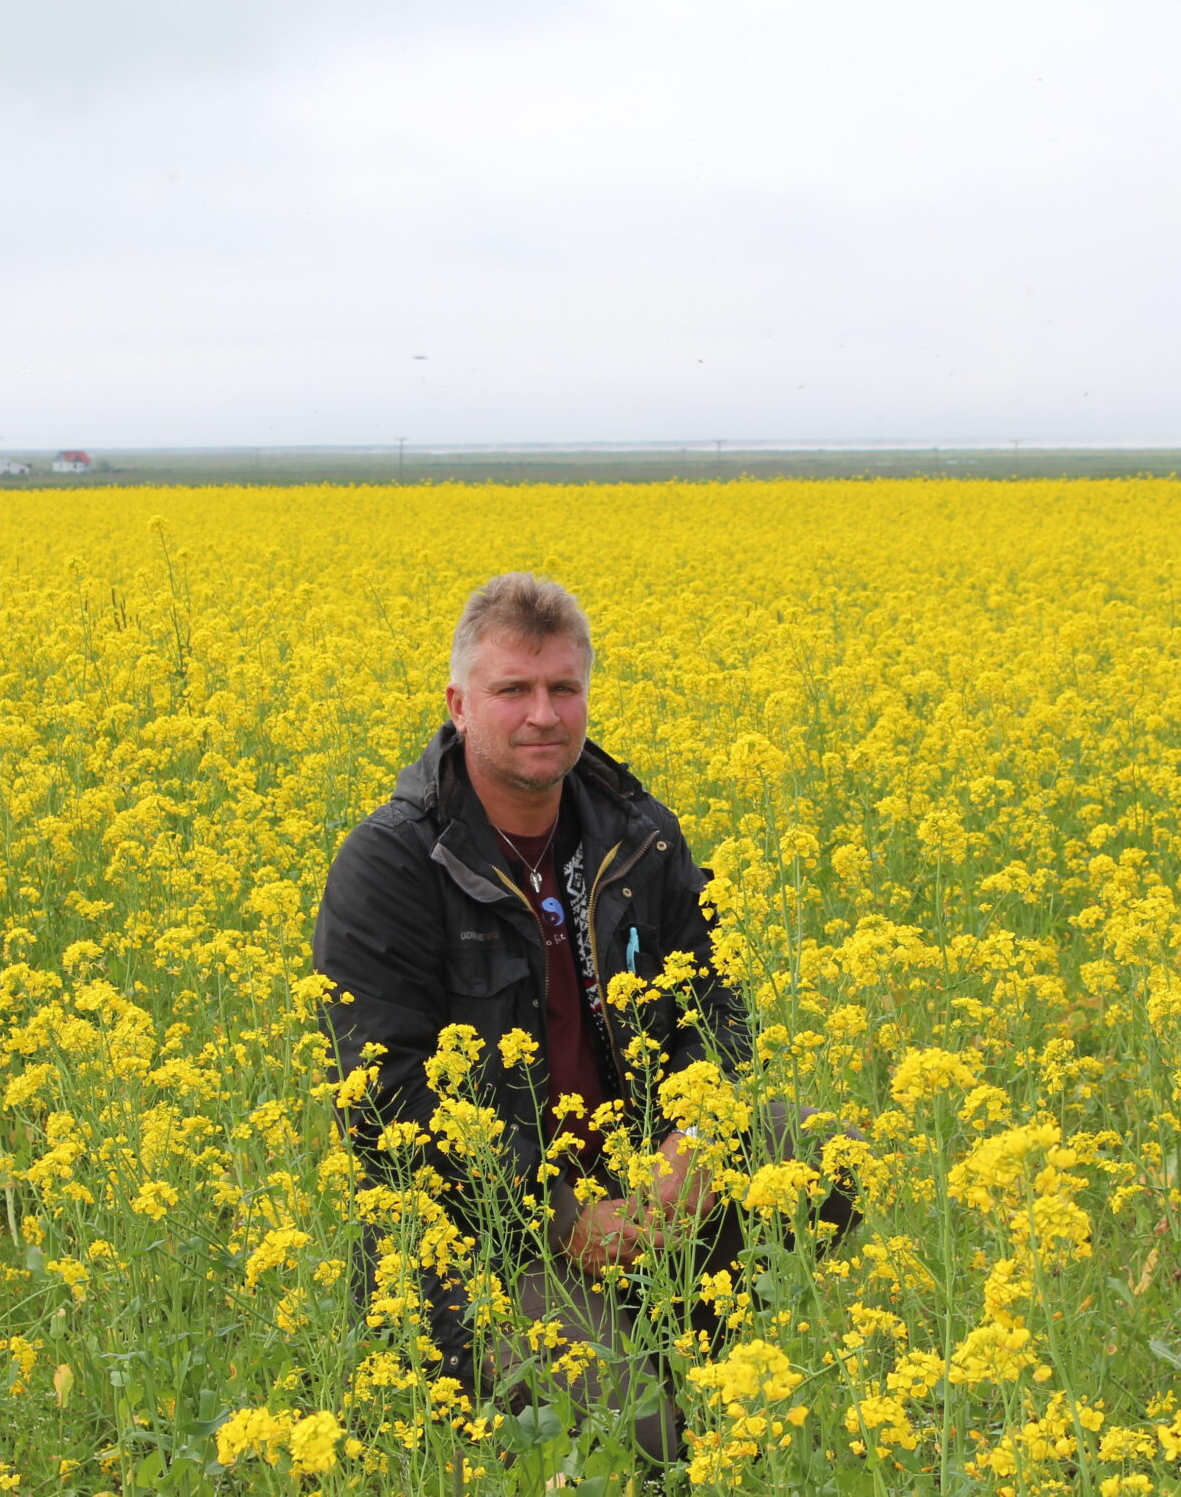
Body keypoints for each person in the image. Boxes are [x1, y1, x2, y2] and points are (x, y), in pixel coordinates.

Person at [312, 572, 854, 1468]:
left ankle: (692, 1323)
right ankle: (625, 1373)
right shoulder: (393, 865)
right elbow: (387, 1099)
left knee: (828, 1155)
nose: (543, 714)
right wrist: (563, 1219)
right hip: (477, 1225)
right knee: (642, 1431)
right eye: (513, 690)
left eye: (564, 688)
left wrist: (694, 1133)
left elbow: (714, 1004)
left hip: (635, 1174)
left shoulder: (635, 831)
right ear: (457, 704)